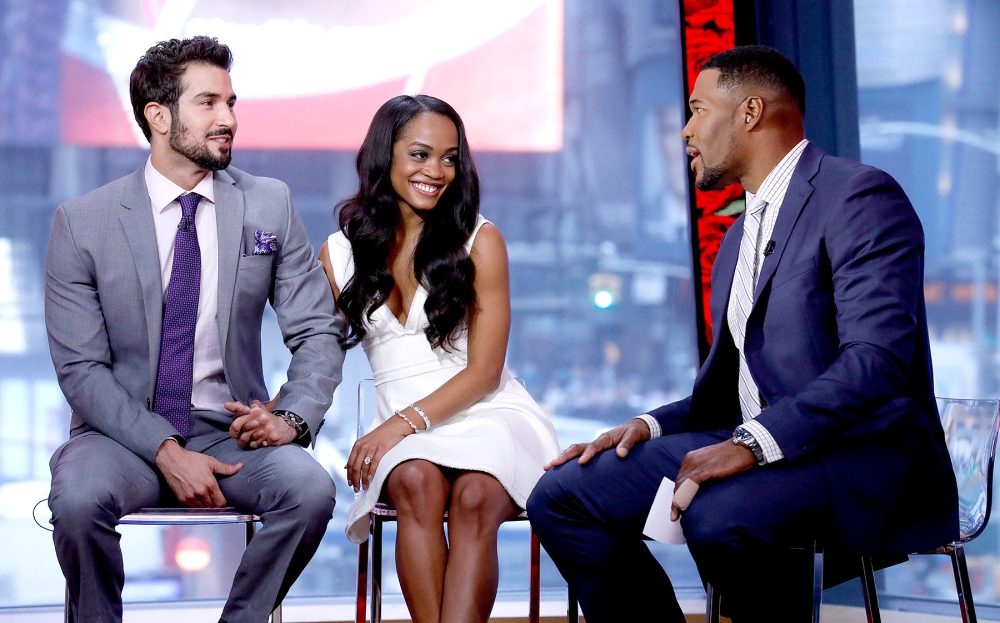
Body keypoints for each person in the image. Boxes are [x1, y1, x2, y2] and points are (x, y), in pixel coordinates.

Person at [526, 45, 958, 623]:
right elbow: (731, 388)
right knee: (563, 496)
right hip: (766, 446)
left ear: (750, 113)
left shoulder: (859, 197)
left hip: (858, 454)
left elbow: (875, 362)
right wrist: (646, 426)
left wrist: (751, 444)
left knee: (721, 515)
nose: (685, 130)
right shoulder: (736, 239)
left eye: (698, 109)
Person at [44, 36, 345, 623]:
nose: (228, 119)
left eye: (232, 102)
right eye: (208, 103)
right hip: (119, 438)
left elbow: (317, 330)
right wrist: (163, 448)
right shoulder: (83, 223)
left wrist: (290, 418)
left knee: (310, 491)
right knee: (78, 500)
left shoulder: (269, 204)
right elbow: (81, 371)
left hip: (232, 434)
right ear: (158, 116)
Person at [319, 94, 559, 623]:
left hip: (488, 414)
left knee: (474, 498)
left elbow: (484, 373)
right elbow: (319, 354)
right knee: (414, 481)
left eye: (450, 158)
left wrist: (398, 426)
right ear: (386, 156)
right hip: (406, 433)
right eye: (421, 155)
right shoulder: (339, 252)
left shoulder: (480, 240)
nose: (437, 171)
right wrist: (282, 409)